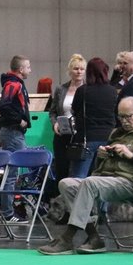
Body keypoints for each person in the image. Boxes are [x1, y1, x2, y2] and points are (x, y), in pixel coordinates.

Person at [38, 97, 133, 255]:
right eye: (120, 117)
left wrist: (131, 155)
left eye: (128, 116)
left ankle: (67, 238)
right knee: (66, 183)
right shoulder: (116, 133)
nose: (124, 121)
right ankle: (94, 238)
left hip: (132, 182)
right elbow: (100, 168)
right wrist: (101, 156)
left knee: (89, 182)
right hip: (106, 180)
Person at [68, 57, 118, 178]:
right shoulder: (112, 91)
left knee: (78, 177)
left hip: (87, 138)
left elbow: (74, 110)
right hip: (108, 139)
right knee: (103, 177)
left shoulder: (82, 90)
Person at [48, 54, 86, 185]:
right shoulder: (61, 89)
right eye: (76, 68)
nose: (79, 72)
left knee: (77, 170)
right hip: (62, 134)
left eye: (82, 69)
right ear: (70, 71)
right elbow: (52, 111)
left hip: (79, 135)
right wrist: (54, 124)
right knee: (61, 168)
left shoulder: (87, 90)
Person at [0, 55, 31, 153]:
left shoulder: (17, 84)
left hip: (15, 132)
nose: (30, 70)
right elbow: (3, 106)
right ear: (21, 69)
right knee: (18, 161)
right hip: (12, 133)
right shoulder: (13, 85)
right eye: (28, 67)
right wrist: (19, 120)